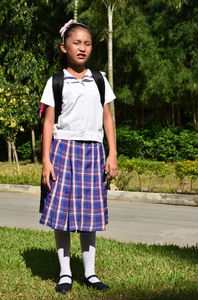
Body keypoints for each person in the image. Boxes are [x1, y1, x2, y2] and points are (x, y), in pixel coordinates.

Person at [39, 19, 118, 294]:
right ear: (64, 47)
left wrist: (113, 154)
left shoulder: (99, 80)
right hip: (62, 151)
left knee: (89, 215)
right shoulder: (56, 81)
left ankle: (90, 272)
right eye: (76, 43)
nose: (82, 48)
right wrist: (46, 160)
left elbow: (108, 118)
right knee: (61, 215)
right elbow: (48, 123)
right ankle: (64, 273)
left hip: (93, 151)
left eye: (87, 43)